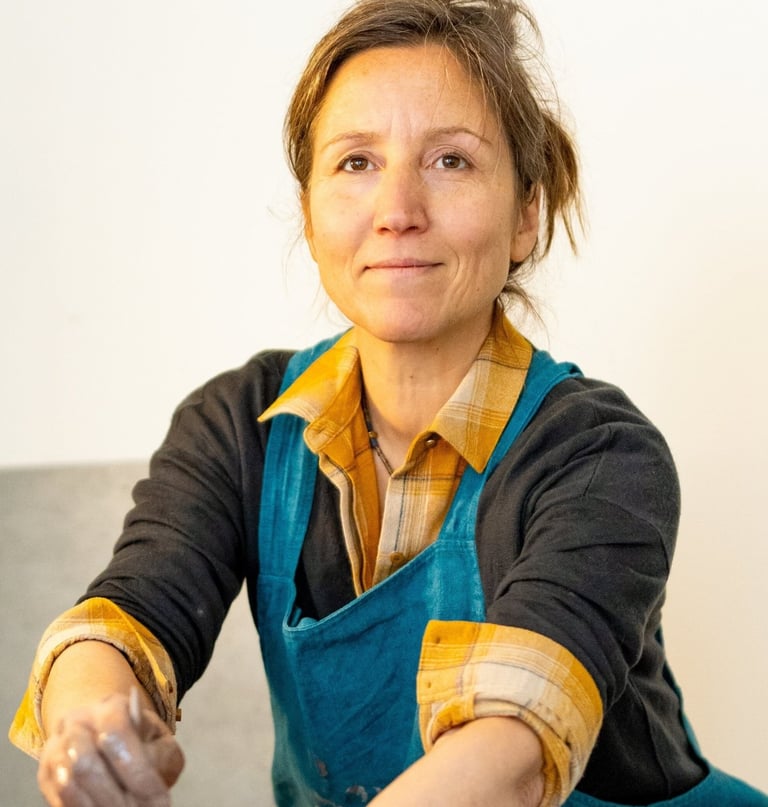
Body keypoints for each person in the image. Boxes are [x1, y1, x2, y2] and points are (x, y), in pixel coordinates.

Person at [8, 0, 768, 805]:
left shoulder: (601, 458)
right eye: (356, 163)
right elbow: (129, 614)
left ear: (526, 214)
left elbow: (509, 759)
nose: (397, 211)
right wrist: (92, 728)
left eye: (451, 161)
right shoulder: (241, 425)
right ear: (308, 211)